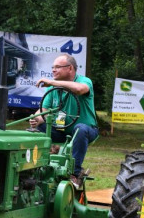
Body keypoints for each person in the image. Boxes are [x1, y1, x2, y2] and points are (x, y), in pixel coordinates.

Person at [29, 54, 99, 188]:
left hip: (87, 130)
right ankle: (38, 167)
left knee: (80, 128)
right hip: (61, 130)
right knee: (37, 130)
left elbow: (79, 90)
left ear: (70, 68)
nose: (53, 70)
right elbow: (43, 110)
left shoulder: (85, 81)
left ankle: (75, 174)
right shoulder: (52, 88)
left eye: (57, 67)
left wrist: (52, 82)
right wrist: (36, 119)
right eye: (52, 67)